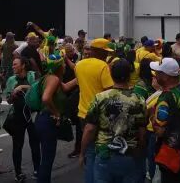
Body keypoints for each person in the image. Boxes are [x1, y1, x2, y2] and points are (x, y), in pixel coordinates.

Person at [80, 60, 147, 183]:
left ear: (111, 75)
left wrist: (82, 152)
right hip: (129, 154)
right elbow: (142, 133)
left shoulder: (100, 98)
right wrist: (140, 152)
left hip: (105, 153)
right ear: (129, 75)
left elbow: (89, 129)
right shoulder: (139, 100)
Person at [75, 38, 115, 183]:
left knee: (90, 153)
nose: (107, 55)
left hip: (82, 113)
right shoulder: (103, 66)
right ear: (99, 51)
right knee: (100, 152)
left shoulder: (78, 65)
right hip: (99, 115)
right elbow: (110, 90)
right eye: (105, 52)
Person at [36, 55, 77, 183]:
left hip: (42, 120)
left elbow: (65, 88)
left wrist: (79, 77)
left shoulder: (50, 77)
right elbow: (46, 98)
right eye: (64, 64)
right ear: (60, 67)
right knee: (47, 161)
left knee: (47, 158)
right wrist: (56, 112)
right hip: (48, 120)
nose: (65, 66)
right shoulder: (53, 79)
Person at [3, 57, 40, 182]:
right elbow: (8, 100)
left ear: (23, 65)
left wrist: (22, 87)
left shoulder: (33, 75)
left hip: (32, 115)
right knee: (17, 145)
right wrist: (12, 95)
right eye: (12, 64)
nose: (13, 66)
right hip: (18, 116)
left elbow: (38, 89)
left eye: (15, 64)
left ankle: (37, 170)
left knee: (35, 143)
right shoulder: (11, 80)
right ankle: (18, 173)